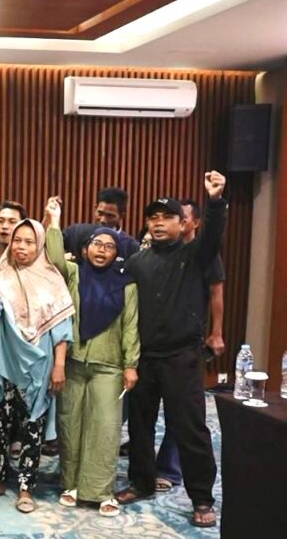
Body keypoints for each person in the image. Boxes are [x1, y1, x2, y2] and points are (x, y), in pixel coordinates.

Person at [115, 172, 227, 529]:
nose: (159, 223)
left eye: (167, 217)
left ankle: (202, 497)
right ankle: (142, 482)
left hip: (182, 356)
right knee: (140, 426)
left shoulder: (195, 255)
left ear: (183, 224)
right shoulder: (137, 261)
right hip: (145, 357)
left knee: (190, 428)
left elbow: (213, 234)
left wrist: (215, 201)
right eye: (153, 217)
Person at [43, 197, 139, 517]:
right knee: (70, 425)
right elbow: (54, 258)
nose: (102, 250)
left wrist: (130, 365)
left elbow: (130, 327)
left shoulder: (126, 285)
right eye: (96, 244)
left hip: (108, 367)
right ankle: (70, 484)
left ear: (116, 253)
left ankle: (99, 490)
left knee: (106, 428)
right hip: (72, 363)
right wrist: (54, 221)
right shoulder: (73, 274)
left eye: (109, 247)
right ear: (85, 250)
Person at [0, 219, 74, 514]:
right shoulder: (0, 273)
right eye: (18, 240)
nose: (22, 246)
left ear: (39, 245)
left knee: (32, 428)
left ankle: (26, 487)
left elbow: (61, 328)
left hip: (38, 364)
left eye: (29, 241)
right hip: (4, 360)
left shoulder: (53, 279)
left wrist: (59, 365)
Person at [152, 198, 228, 493]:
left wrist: (216, 333)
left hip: (185, 346)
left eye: (182, 217)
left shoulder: (203, 253)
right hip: (153, 346)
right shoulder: (159, 252)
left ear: (194, 222)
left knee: (182, 413)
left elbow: (216, 293)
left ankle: (170, 469)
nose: (177, 221)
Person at [62, 188, 140, 258]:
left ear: (122, 215)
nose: (103, 220)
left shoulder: (131, 246)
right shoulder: (74, 233)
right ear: (95, 208)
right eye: (100, 213)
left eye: (110, 216)